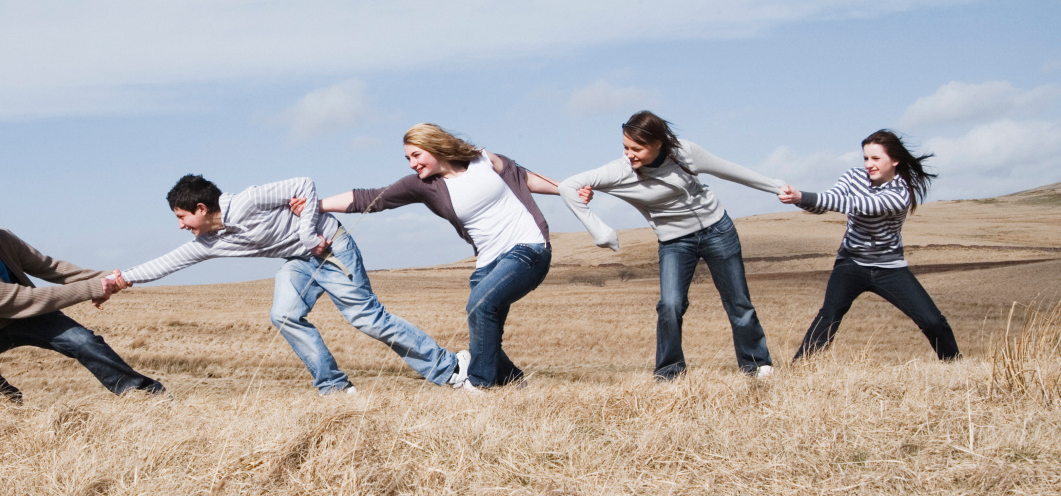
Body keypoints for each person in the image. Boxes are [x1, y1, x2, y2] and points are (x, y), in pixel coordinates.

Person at [114, 174, 468, 395]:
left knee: (367, 319)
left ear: (201, 208)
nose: (180, 226)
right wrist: (121, 279)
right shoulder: (211, 242)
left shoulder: (248, 201)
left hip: (331, 248)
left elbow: (303, 184)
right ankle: (334, 388)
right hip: (300, 262)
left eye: (182, 217)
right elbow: (168, 262)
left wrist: (308, 232)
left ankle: (451, 368)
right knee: (284, 314)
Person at [296, 123, 561, 390]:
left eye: (416, 155)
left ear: (435, 147)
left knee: (480, 305)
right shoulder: (423, 185)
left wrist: (564, 189)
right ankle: (513, 381)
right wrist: (315, 206)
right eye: (408, 158)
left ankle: (479, 385)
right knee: (483, 331)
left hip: (529, 247)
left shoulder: (482, 159)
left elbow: (523, 178)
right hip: (488, 262)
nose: (412, 164)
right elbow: (371, 198)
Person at [558, 110, 781, 381]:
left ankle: (757, 365)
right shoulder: (619, 171)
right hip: (675, 242)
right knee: (670, 305)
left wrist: (778, 188)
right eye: (626, 147)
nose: (629, 154)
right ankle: (669, 373)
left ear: (658, 143)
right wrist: (600, 231)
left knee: (738, 302)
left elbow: (732, 171)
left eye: (637, 148)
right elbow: (568, 186)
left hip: (717, 230)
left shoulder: (685, 152)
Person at [0, 203, 164, 403]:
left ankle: (144, 394)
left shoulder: (4, 239)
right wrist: (93, 288)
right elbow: (25, 299)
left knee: (84, 341)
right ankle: (4, 398)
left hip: (31, 316)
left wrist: (107, 278)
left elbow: (48, 267)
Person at [778, 130, 959, 361]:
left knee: (932, 321)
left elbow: (858, 204)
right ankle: (800, 369)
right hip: (851, 263)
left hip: (890, 268)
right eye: (865, 158)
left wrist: (802, 196)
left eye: (876, 158)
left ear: (894, 160)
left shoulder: (900, 193)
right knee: (829, 316)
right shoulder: (854, 177)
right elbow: (828, 201)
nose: (869, 164)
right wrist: (796, 199)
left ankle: (954, 364)